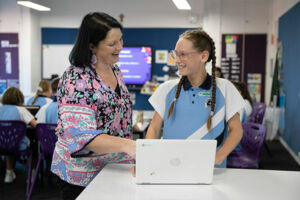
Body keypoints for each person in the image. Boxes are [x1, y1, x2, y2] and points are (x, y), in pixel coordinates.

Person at [50, 12, 135, 200]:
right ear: (91, 45)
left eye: (120, 40)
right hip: (83, 175)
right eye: (112, 44)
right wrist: (129, 146)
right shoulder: (75, 79)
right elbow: (82, 136)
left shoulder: (115, 69)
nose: (120, 47)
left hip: (115, 166)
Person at [146, 30, 244, 168]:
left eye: (183, 54)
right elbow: (154, 129)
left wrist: (218, 157)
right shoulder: (166, 89)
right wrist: (146, 159)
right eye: (176, 54)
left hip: (210, 171)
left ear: (203, 56)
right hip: (171, 166)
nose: (177, 60)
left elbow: (236, 130)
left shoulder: (225, 88)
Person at [0, 87, 37, 183]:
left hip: (1, 145)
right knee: (33, 146)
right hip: (19, 146)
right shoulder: (21, 110)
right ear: (19, 98)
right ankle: (31, 176)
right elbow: (35, 125)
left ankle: (9, 174)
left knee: (7, 141)